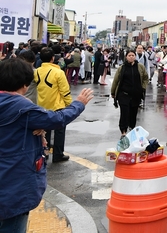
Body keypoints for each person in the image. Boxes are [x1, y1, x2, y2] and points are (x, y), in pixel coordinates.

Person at [0, 58, 93, 233]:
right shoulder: (21, 107)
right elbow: (58, 119)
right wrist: (78, 103)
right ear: (25, 84)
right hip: (12, 184)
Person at [33, 48, 73, 163]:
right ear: (53, 58)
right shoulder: (58, 72)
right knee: (59, 132)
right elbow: (65, 91)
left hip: (42, 106)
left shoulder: (36, 72)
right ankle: (58, 154)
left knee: (45, 132)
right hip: (57, 106)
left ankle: (45, 154)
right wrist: (70, 105)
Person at [111, 50, 149, 136]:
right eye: (129, 55)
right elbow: (116, 81)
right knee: (124, 113)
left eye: (133, 55)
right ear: (126, 57)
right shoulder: (122, 68)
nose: (131, 57)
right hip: (123, 94)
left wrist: (142, 87)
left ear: (135, 56)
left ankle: (132, 128)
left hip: (136, 95)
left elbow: (146, 78)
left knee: (133, 113)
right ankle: (123, 131)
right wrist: (113, 92)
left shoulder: (140, 67)